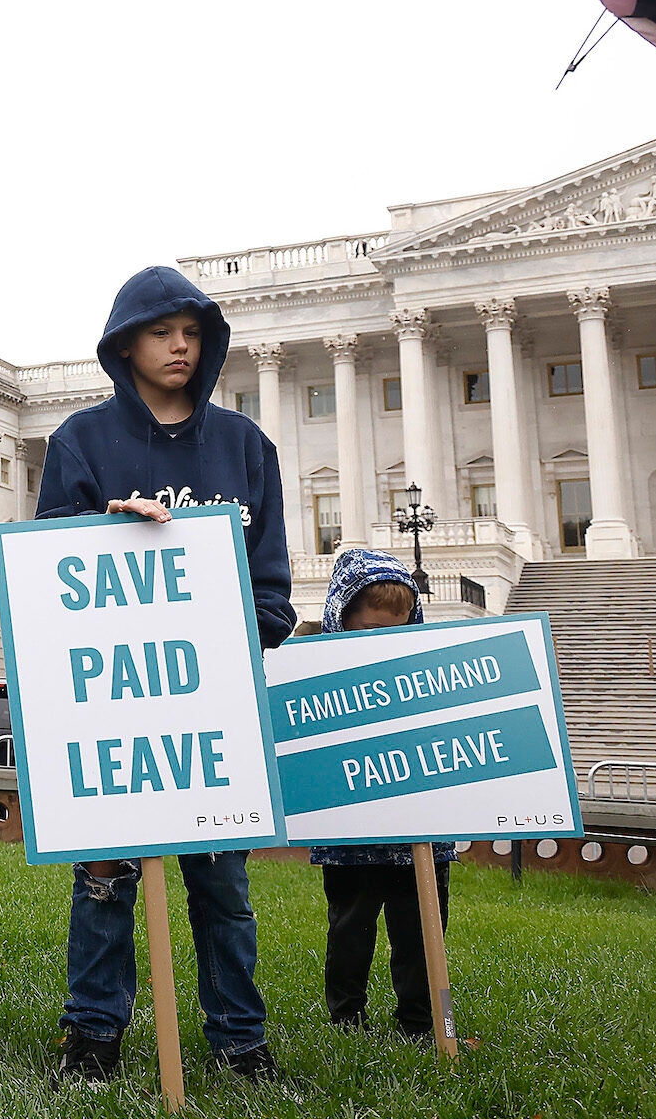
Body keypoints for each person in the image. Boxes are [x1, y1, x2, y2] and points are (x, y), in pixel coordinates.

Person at [36, 266, 295, 1083]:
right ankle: (93, 1035)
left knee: (223, 884)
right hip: (114, 703)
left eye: (191, 331)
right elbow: (49, 568)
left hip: (213, 703)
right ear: (125, 345)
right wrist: (101, 531)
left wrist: (228, 632)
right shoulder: (82, 441)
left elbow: (273, 588)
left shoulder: (247, 447)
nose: (179, 345)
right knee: (106, 878)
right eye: (161, 331)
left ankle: (240, 1042)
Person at [309, 548, 455, 1042]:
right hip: (350, 838)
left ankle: (422, 1021)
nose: (380, 643)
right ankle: (346, 1020)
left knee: (422, 931)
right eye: (367, 630)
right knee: (350, 929)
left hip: (423, 830)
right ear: (340, 619)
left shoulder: (431, 676)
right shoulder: (317, 677)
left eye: (394, 630)